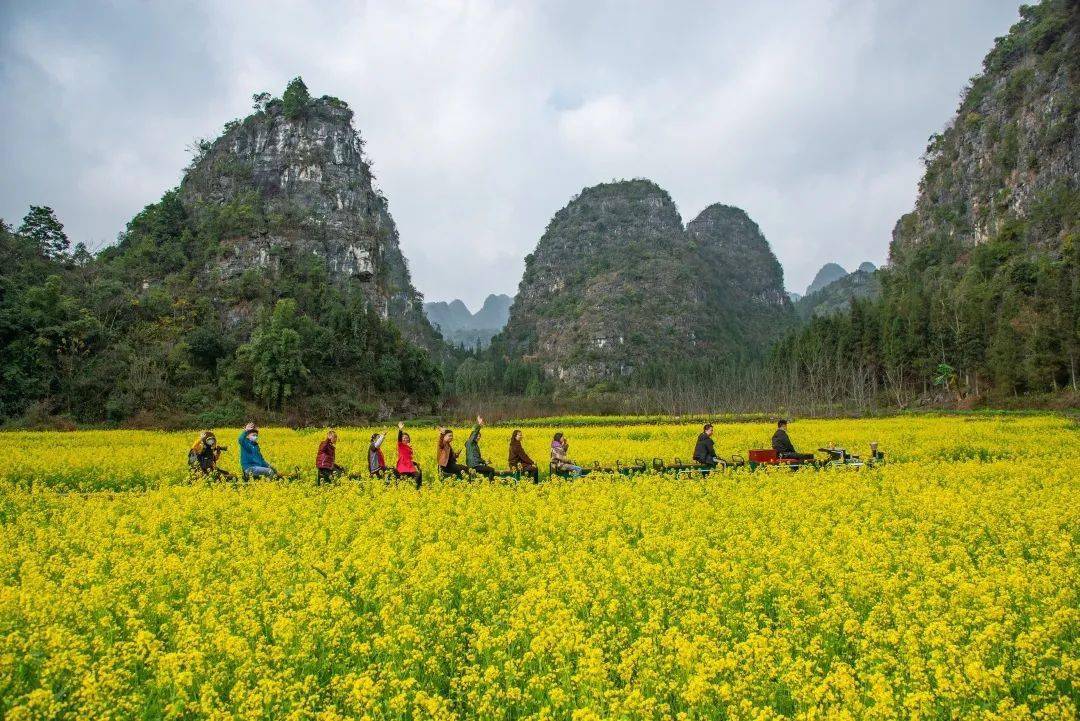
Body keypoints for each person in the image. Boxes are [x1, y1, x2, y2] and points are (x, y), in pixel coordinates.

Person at [395, 422, 422, 489]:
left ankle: (415, 488)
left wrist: (415, 463)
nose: (405, 439)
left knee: (417, 475)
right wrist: (400, 429)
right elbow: (399, 439)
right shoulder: (400, 445)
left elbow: (408, 457)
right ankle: (413, 488)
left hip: (409, 465)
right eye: (404, 438)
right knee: (414, 476)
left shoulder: (409, 447)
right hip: (403, 464)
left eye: (407, 438)